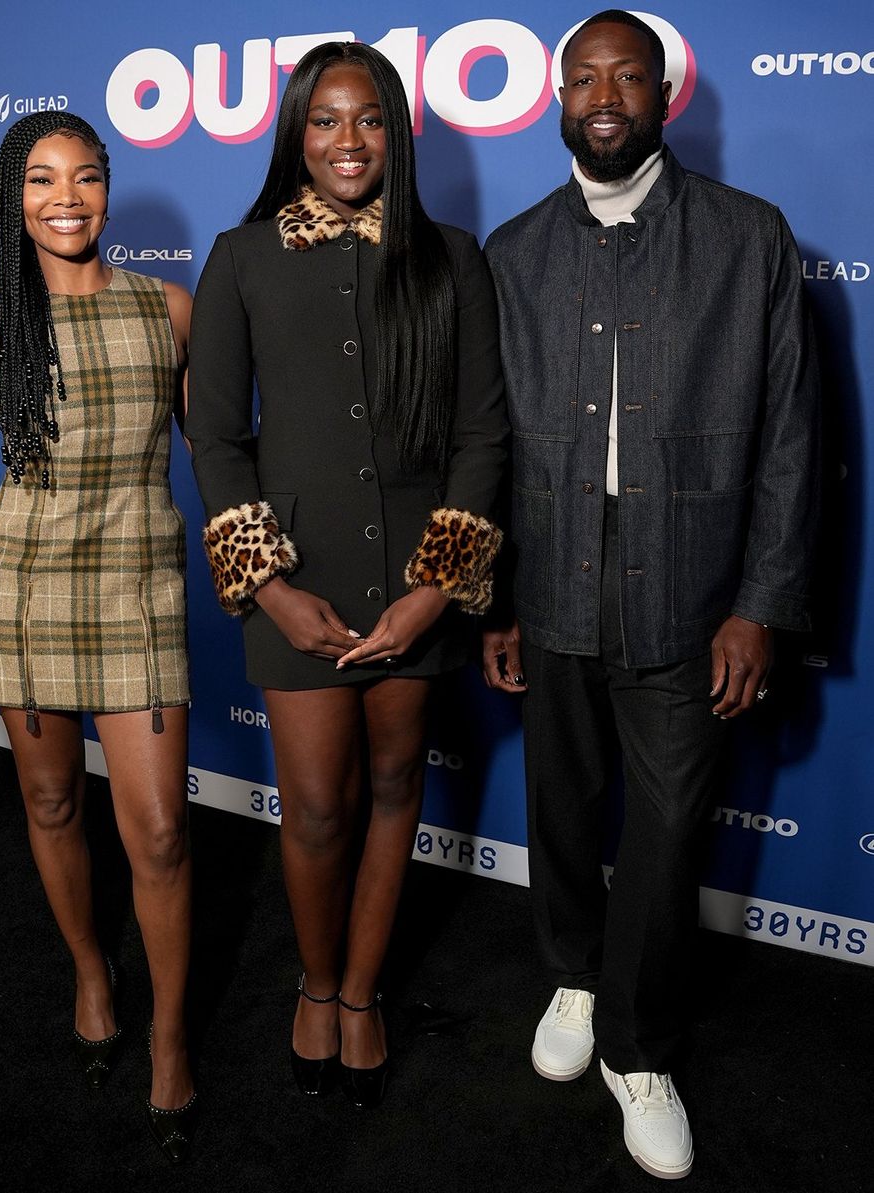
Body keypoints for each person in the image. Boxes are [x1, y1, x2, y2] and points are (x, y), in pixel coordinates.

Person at [483, 10, 819, 1180]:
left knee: (669, 832)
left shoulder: (748, 238)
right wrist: (494, 598)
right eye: (585, 77)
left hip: (692, 590)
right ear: (557, 100)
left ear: (664, 93)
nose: (606, 93)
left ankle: (639, 1046)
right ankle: (572, 977)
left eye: (628, 73)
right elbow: (488, 449)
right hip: (551, 568)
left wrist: (759, 602)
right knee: (564, 807)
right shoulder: (511, 252)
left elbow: (789, 437)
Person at [186, 41, 507, 1108]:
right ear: (293, 132)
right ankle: (317, 981)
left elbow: (479, 434)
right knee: (315, 806)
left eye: (367, 118)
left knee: (391, 788)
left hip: (417, 578)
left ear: (394, 132)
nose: (346, 141)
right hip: (296, 580)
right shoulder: (240, 256)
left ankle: (362, 994)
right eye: (323, 120)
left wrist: (437, 585)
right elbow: (217, 440)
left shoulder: (450, 255)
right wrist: (267, 584)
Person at [0, 112, 197, 1163]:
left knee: (158, 829)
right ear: (10, 198)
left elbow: (229, 455)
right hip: (26, 586)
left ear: (108, 191)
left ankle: (168, 1031)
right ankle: (88, 970)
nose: (65, 197)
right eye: (40, 179)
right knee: (52, 797)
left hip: (139, 586)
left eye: (85, 177)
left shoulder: (168, 308)